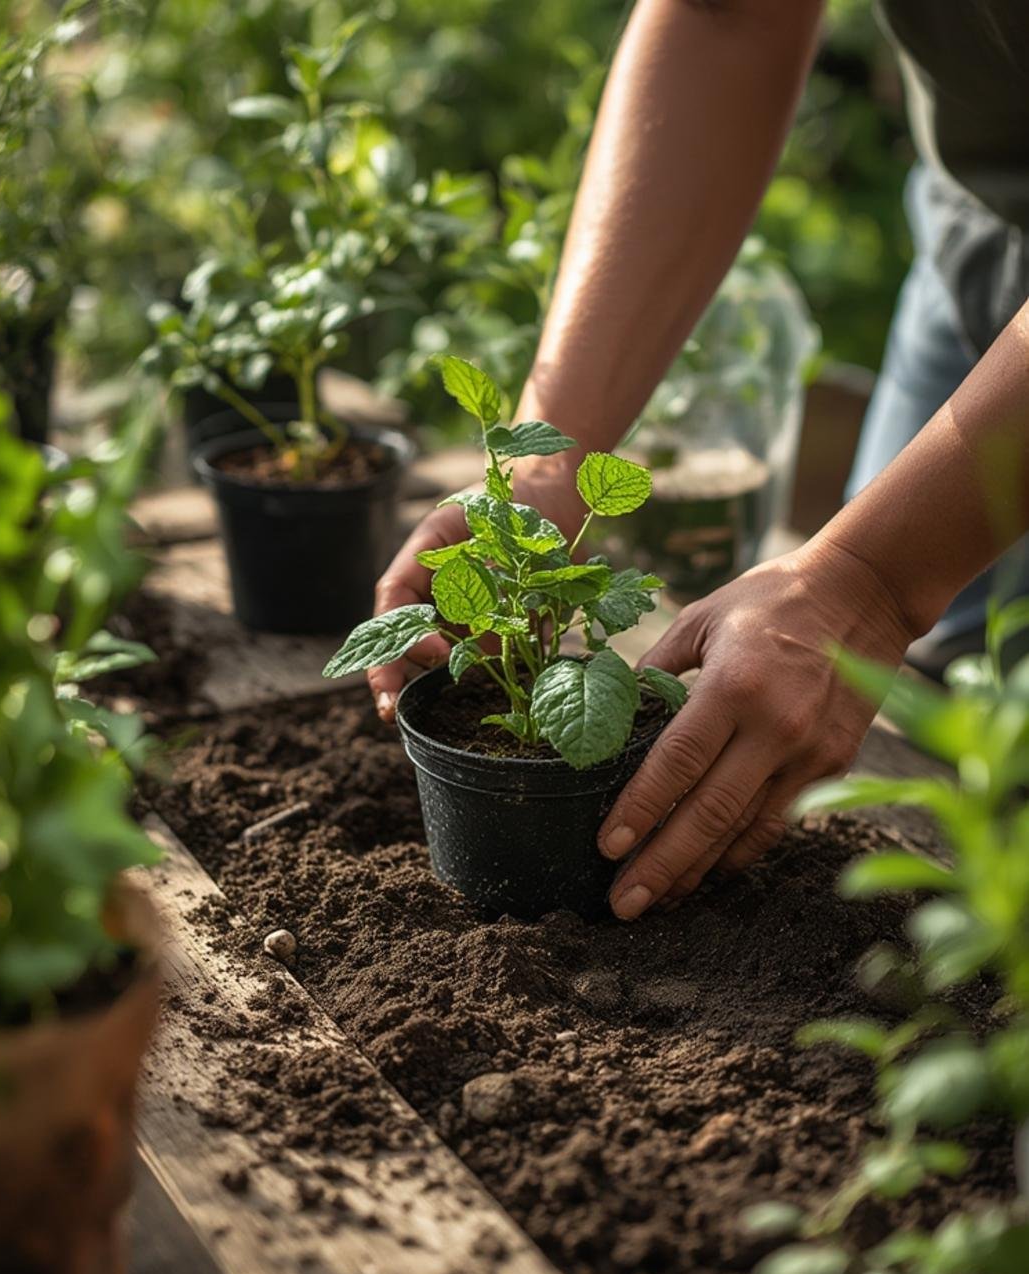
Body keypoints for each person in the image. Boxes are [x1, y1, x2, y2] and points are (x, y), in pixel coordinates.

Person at [368, 0, 1029, 920]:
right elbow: (728, 16)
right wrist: (544, 462)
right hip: (981, 225)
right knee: (926, 747)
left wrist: (871, 581)